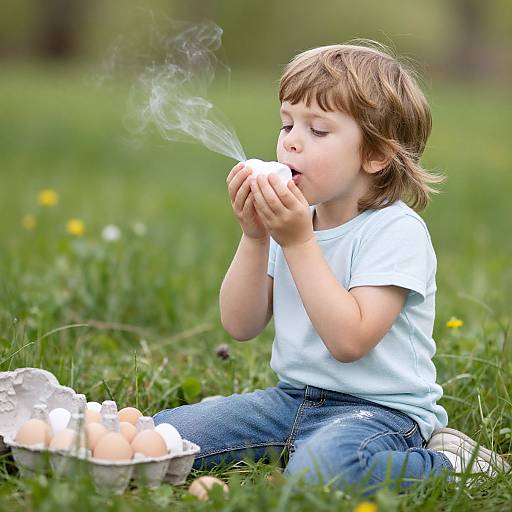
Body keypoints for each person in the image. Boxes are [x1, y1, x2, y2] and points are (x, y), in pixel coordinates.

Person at [154, 41, 510, 495]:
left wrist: (297, 241)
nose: (291, 141)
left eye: (318, 130)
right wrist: (255, 236)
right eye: (287, 124)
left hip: (380, 411)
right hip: (290, 400)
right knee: (165, 435)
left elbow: (350, 341)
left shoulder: (395, 231)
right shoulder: (296, 220)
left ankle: (453, 464)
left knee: (326, 473)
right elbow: (239, 324)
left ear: (376, 155)